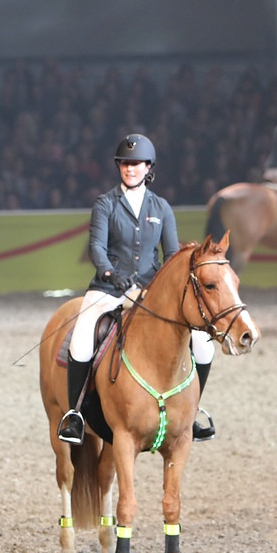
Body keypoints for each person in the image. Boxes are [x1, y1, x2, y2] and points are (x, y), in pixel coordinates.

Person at [56, 133, 218, 446]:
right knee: (83, 333)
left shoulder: (161, 207)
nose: (130, 169)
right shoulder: (106, 203)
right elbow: (96, 247)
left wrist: (164, 285)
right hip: (109, 288)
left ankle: (193, 411)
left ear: (148, 167)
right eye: (125, 164)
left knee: (203, 343)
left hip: (150, 292)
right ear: (119, 167)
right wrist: (110, 273)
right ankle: (74, 414)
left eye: (137, 164)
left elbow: (172, 256)